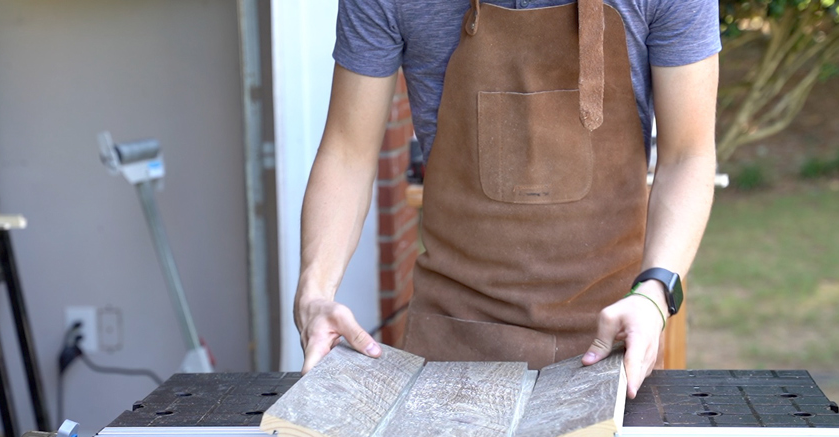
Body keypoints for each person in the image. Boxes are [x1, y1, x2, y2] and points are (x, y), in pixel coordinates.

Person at [295, 0, 720, 399]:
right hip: (451, 348)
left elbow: (688, 155)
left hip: (615, 343)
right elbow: (347, 153)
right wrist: (315, 293)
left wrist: (654, 295)